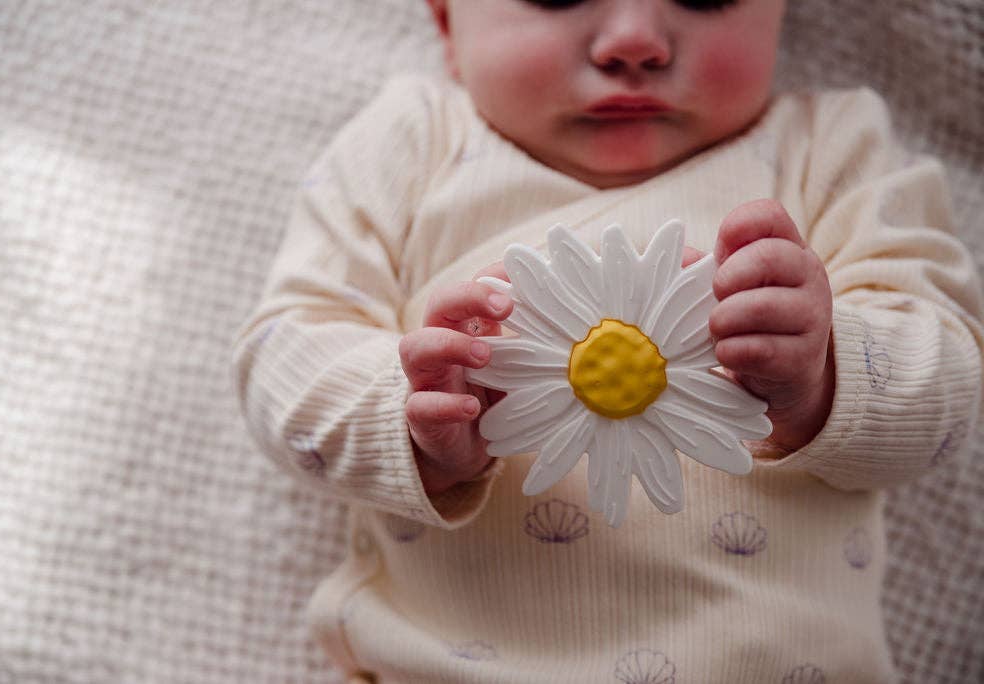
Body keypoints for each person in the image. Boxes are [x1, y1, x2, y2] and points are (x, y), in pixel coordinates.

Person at [231, 1, 984, 681]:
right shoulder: (413, 140)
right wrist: (411, 412)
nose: (635, 41)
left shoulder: (835, 148)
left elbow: (950, 385)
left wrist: (824, 370)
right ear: (445, 23)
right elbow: (286, 353)